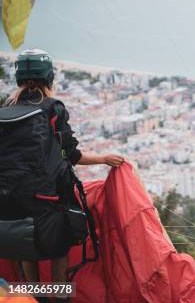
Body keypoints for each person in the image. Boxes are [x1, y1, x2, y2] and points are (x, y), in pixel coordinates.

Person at [1, 49, 124, 288]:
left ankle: (34, 296)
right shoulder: (52, 108)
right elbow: (72, 154)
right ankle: (59, 296)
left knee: (28, 248)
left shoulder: (6, 109)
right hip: (45, 198)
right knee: (61, 244)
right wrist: (104, 158)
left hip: (7, 202)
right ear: (49, 77)